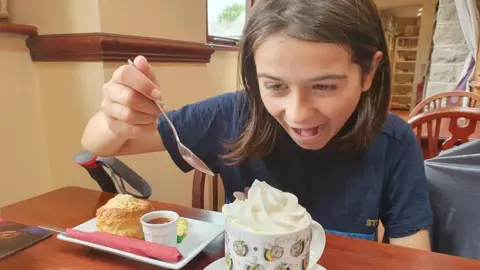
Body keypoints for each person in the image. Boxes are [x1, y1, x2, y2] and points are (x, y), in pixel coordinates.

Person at [81, 0, 432, 250]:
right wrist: (117, 119)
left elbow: (411, 252)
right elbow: (98, 144)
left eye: (324, 86)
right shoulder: (233, 115)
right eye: (275, 86)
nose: (298, 114)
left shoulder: (393, 141)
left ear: (369, 72)